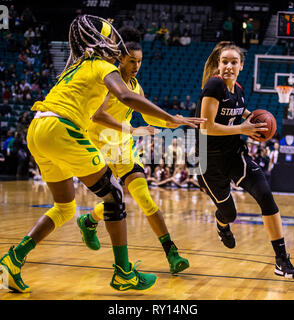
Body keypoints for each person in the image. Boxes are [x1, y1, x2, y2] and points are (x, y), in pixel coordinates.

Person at [0, 15, 201, 294]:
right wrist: (169, 118)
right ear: (102, 42)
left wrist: (169, 120)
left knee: (65, 207)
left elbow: (131, 99)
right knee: (115, 195)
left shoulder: (78, 65)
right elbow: (125, 98)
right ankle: (124, 274)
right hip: (63, 129)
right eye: (113, 39)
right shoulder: (102, 65)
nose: (117, 45)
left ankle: (13, 260)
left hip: (39, 128)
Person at [79, 26, 192, 274]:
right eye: (132, 61)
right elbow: (98, 115)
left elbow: (149, 115)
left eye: (139, 61)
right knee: (116, 201)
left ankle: (172, 253)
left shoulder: (136, 86)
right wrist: (130, 130)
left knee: (144, 199)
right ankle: (89, 220)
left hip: (123, 149)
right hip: (98, 147)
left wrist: (175, 120)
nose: (136, 66)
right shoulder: (108, 81)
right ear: (119, 58)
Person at [195, 41, 294, 279]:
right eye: (225, 62)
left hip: (234, 155)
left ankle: (282, 260)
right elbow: (207, 128)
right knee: (229, 214)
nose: (229, 66)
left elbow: (239, 110)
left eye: (234, 62)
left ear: (242, 65)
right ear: (218, 65)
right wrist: (243, 128)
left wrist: (254, 121)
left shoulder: (238, 90)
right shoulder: (214, 85)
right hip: (208, 160)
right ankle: (222, 224)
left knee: (265, 195)